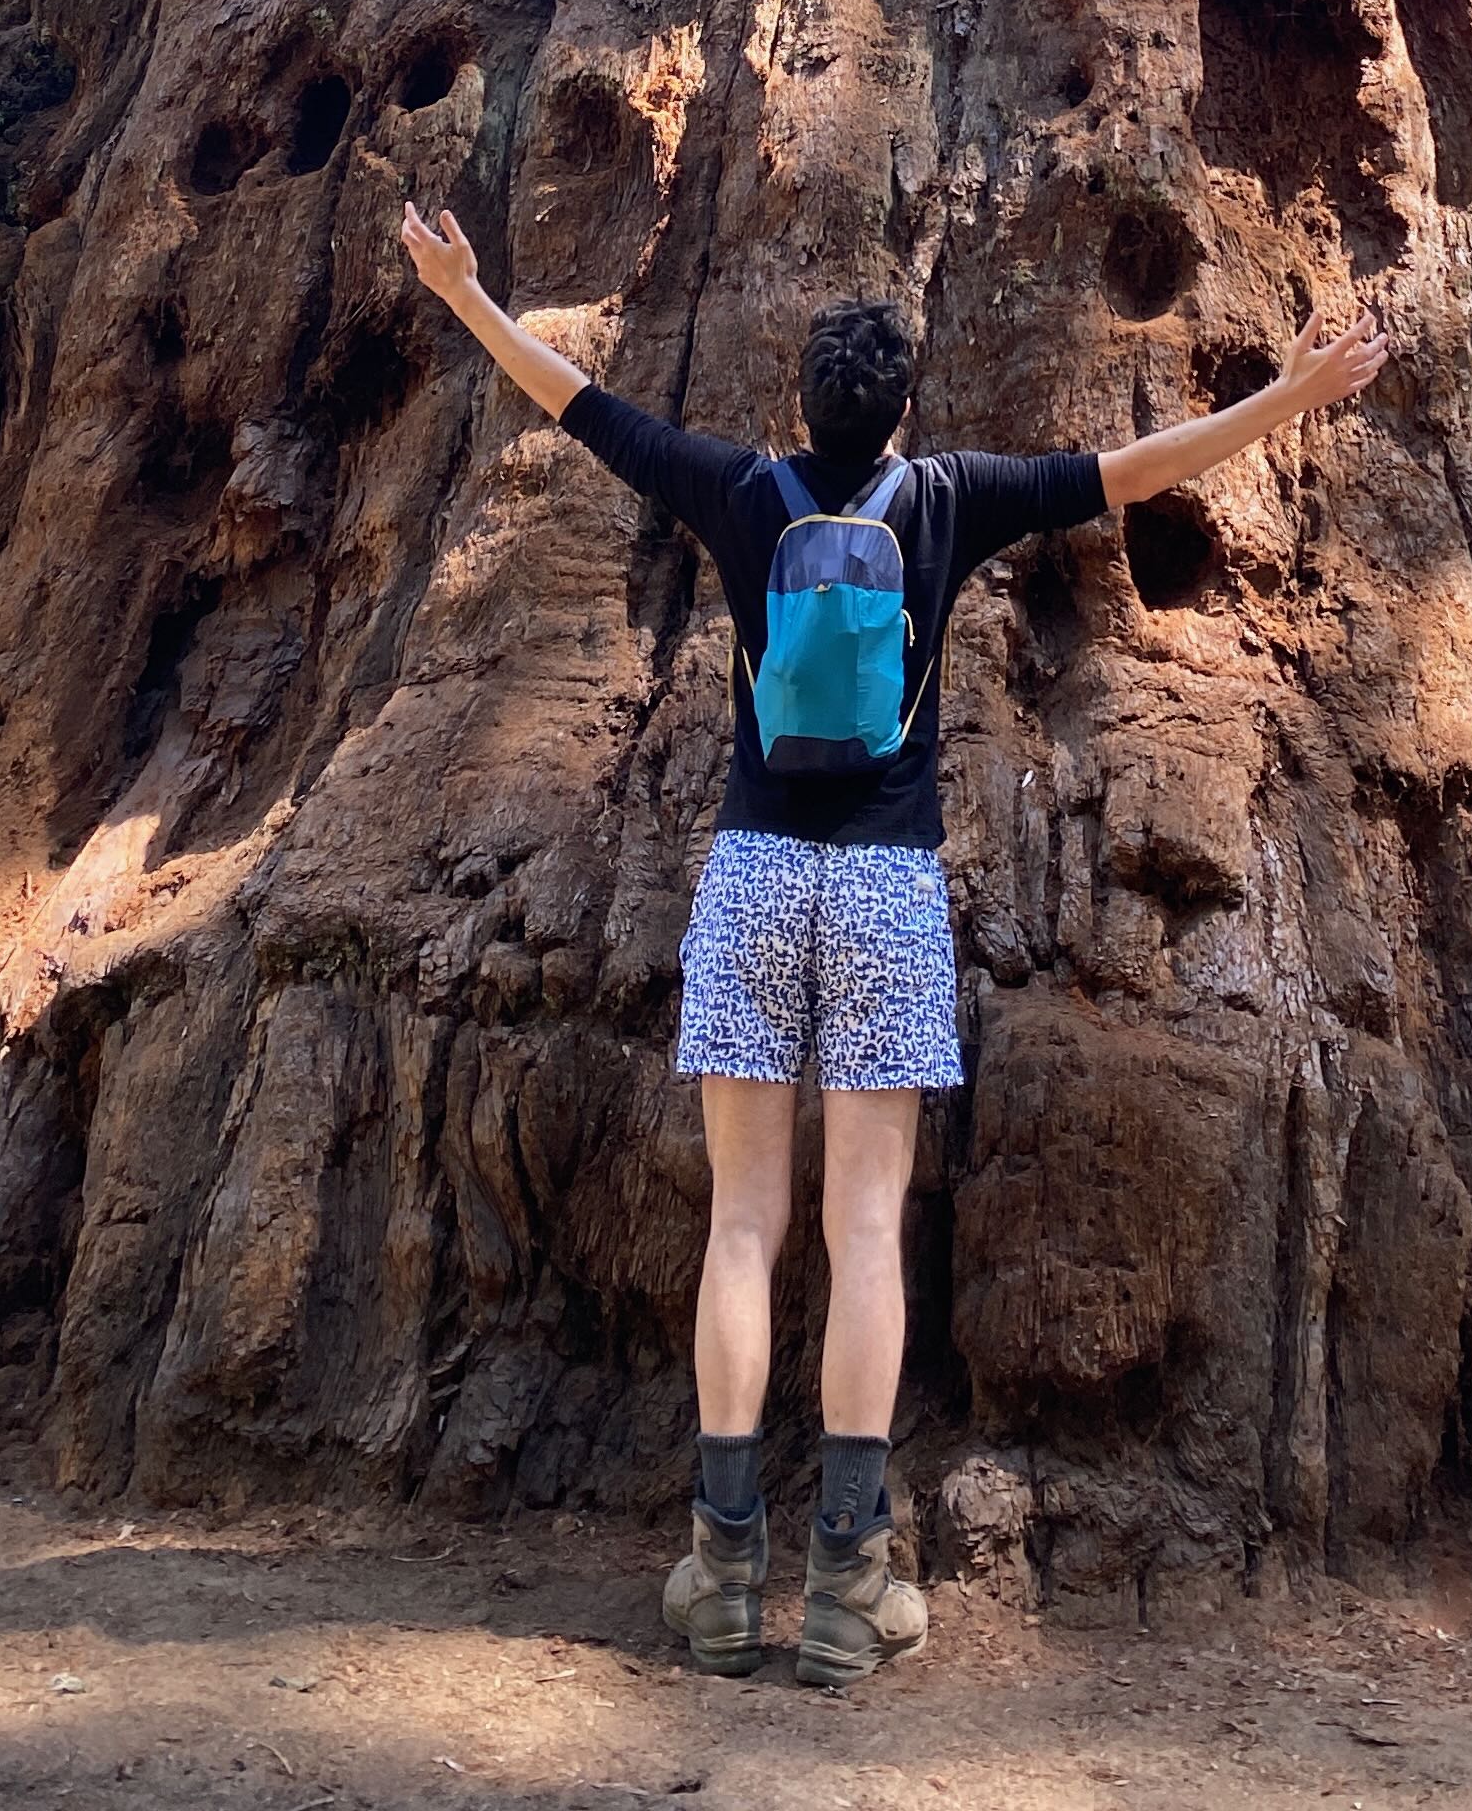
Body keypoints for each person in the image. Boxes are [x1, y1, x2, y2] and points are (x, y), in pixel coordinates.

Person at [398, 200, 1384, 1688]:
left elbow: (573, 401)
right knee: (863, 1230)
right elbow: (1137, 471)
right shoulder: (950, 500)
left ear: (802, 407)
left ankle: (726, 1572)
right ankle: (850, 1587)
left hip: (749, 876)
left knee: (744, 1223)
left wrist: (466, 297)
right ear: (905, 409)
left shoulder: (738, 492)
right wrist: (1296, 394)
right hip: (882, 891)